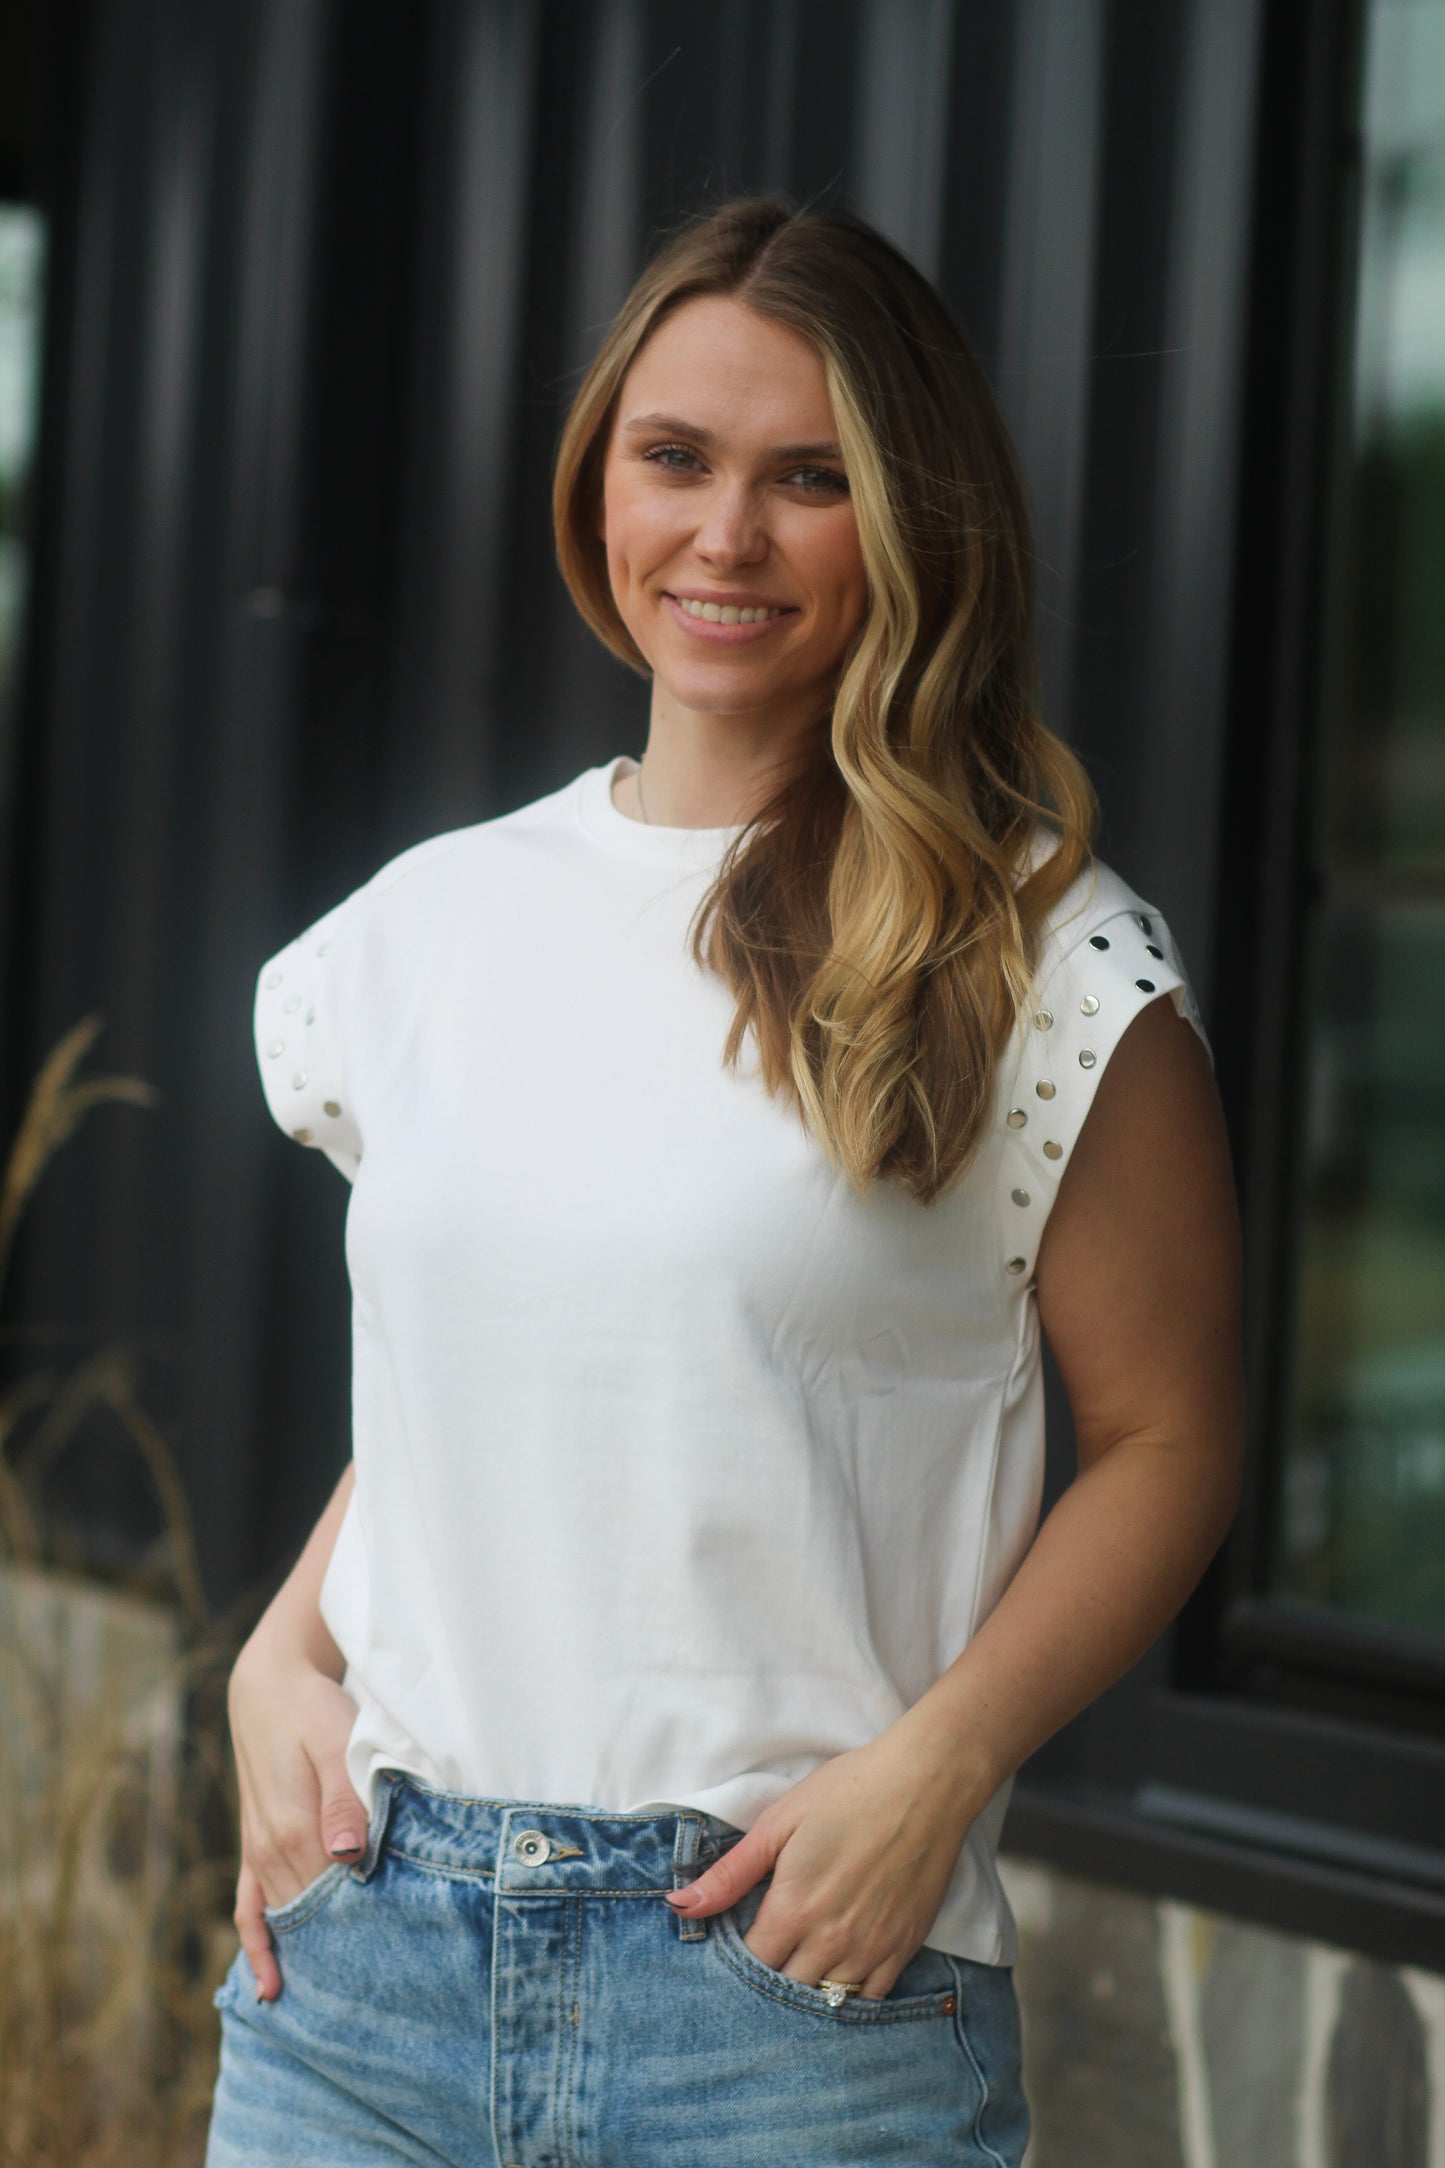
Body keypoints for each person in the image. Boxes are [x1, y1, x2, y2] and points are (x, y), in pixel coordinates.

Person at [206, 192, 1243, 2167]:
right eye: (674, 457)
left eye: (811, 479)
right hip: (362, 1977)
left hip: (792, 1997)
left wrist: (944, 1764)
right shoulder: (424, 929)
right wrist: (281, 1649)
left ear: (913, 520)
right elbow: (492, 1378)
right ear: (600, 466)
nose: (725, 535)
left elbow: (1174, 1437)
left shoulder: (1037, 957)